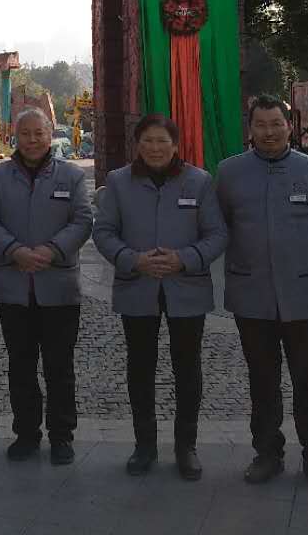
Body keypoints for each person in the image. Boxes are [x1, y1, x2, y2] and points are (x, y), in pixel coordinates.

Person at [216, 95, 308, 492]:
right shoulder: (229, 173)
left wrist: (297, 258)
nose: (269, 132)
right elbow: (220, 225)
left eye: (276, 124)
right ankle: (267, 453)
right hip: (251, 293)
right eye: (261, 124)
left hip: (304, 293)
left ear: (290, 127)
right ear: (250, 129)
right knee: (262, 379)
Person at [93, 115, 227, 478]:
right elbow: (103, 232)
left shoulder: (199, 181)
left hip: (187, 288)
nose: (155, 148)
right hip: (137, 286)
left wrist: (184, 259)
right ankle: (144, 446)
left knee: (188, 368)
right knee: (140, 367)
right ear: (137, 144)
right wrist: (133, 260)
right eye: (148, 141)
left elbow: (217, 234)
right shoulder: (119, 182)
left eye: (162, 141)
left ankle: (186, 447)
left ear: (175, 145)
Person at [0, 107, 93, 466]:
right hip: (14, 288)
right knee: (21, 365)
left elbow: (82, 220)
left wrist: (51, 250)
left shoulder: (71, 176)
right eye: (25, 133)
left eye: (39, 133)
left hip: (59, 287)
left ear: (50, 134)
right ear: (15, 136)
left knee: (60, 367)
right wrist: (15, 250)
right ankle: (26, 433)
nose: (32, 140)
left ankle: (62, 436)